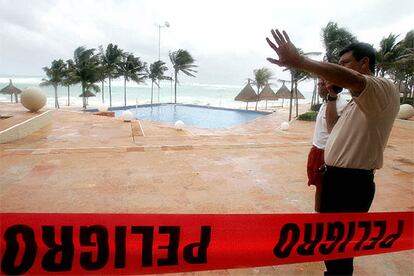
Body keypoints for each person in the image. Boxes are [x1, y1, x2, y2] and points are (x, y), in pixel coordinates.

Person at [266, 29, 400, 275]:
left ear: (364, 63)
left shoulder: (382, 88)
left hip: (352, 183)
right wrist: (330, 96)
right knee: (332, 245)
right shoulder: (356, 100)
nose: (341, 68)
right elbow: (333, 128)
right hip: (337, 178)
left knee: (339, 248)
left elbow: (357, 80)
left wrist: (300, 62)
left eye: (345, 63)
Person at [307, 79, 347, 212]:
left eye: (322, 84)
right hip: (317, 150)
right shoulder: (325, 103)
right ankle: (318, 213)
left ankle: (320, 215)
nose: (318, 87)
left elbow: (341, 134)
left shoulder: (341, 105)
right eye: (318, 84)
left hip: (328, 153)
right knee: (319, 186)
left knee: (326, 188)